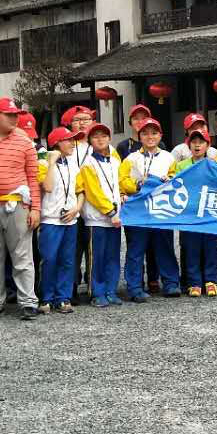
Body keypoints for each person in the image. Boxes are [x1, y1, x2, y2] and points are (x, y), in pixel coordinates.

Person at [0, 98, 41, 323]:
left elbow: (33, 177)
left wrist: (35, 209)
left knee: (22, 255)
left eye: (16, 115)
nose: (15, 119)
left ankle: (28, 302)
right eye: (9, 115)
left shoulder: (24, 142)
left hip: (18, 206)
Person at [119, 117, 182, 301]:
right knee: (136, 249)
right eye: (145, 133)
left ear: (160, 135)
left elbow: (176, 178)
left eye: (154, 133)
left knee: (165, 247)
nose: (150, 137)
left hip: (161, 210)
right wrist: (138, 184)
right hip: (138, 211)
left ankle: (171, 283)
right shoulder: (131, 158)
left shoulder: (168, 157)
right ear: (140, 136)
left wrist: (169, 181)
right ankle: (134, 288)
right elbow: (122, 181)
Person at [38, 126, 84, 313]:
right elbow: (47, 187)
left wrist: (77, 208)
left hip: (70, 218)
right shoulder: (42, 163)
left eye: (73, 140)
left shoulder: (73, 164)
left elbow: (80, 190)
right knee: (49, 259)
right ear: (56, 143)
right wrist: (51, 162)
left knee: (67, 260)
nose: (73, 144)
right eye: (68, 140)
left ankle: (63, 297)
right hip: (51, 219)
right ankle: (46, 297)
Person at [78, 122, 124, 307]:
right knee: (97, 258)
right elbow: (93, 192)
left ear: (110, 139)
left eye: (104, 136)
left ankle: (111, 290)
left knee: (113, 256)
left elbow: (120, 184)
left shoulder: (115, 161)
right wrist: (110, 211)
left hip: (115, 219)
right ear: (90, 140)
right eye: (95, 136)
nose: (100, 139)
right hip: (96, 219)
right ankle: (96, 292)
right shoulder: (88, 163)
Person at [174, 128, 217, 296]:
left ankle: (211, 280)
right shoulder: (181, 165)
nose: (197, 145)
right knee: (191, 248)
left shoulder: (214, 165)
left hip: (209, 213)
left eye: (201, 142)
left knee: (210, 247)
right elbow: (175, 185)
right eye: (193, 142)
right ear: (188, 145)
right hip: (189, 214)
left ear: (208, 145)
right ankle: (194, 282)